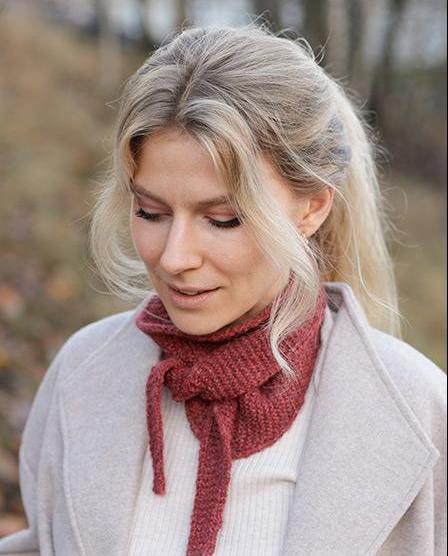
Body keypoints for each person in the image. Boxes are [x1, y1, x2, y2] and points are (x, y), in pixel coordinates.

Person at [0, 23, 446, 556]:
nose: (174, 257)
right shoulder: (81, 374)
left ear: (312, 208)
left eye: (223, 220)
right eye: (151, 212)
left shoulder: (421, 411)